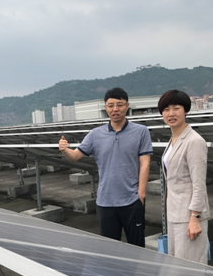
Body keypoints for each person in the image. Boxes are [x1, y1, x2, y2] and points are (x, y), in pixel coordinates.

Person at [59, 87, 152, 247]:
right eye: (111, 105)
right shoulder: (95, 134)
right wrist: (64, 149)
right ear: (105, 108)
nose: (115, 109)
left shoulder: (141, 132)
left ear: (127, 106)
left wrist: (141, 195)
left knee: (137, 248)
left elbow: (145, 164)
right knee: (109, 249)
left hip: (132, 201)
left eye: (120, 105)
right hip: (105, 202)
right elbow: (74, 156)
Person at [158, 90, 210, 264]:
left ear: (186, 110)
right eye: (166, 109)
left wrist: (195, 218)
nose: (171, 113)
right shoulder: (174, 140)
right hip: (174, 213)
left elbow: (199, 183)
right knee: (177, 268)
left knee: (190, 269)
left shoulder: (194, 141)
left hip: (188, 216)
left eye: (176, 108)